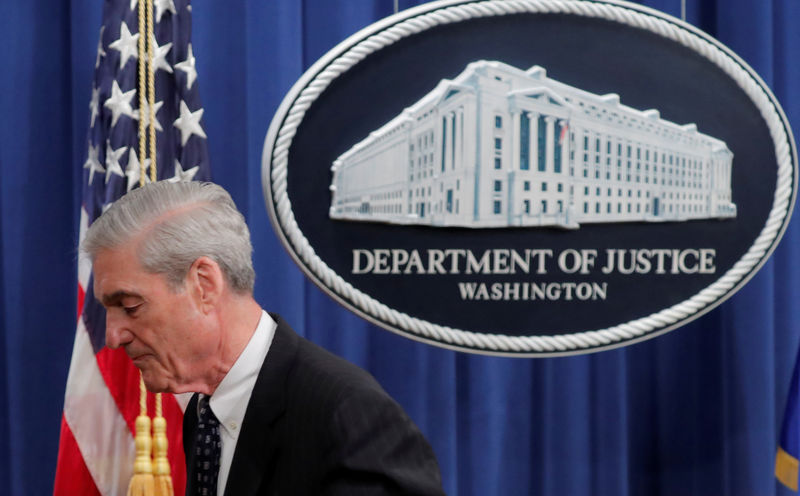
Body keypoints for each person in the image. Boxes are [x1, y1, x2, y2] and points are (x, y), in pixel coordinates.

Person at [82, 181, 445, 496]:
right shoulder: (204, 414)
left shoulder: (347, 415)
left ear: (204, 285)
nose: (113, 337)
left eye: (130, 306)